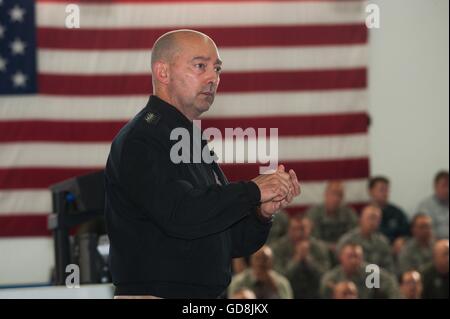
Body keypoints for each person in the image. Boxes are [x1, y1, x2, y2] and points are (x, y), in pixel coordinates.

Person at [104, 30, 301, 298]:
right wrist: (252, 190)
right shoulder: (142, 139)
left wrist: (260, 213)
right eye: (200, 66)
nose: (213, 78)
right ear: (163, 72)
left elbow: (229, 240)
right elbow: (181, 213)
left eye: (217, 68)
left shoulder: (189, 141)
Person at [271, 214, 330, 298]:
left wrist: (308, 260)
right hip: (287, 292)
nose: (298, 233)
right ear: (289, 230)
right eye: (295, 229)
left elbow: (325, 277)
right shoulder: (278, 248)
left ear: (309, 229)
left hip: (314, 293)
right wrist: (297, 259)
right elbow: (279, 277)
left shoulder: (319, 247)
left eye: (302, 229)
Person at [320, 243, 400, 299]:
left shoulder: (371, 273)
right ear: (341, 257)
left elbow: (391, 287)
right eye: (350, 257)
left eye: (357, 257)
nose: (354, 261)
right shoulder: (331, 279)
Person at [336, 205, 394, 272]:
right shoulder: (347, 240)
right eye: (370, 218)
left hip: (375, 279)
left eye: (376, 219)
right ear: (361, 219)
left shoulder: (383, 243)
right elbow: (339, 267)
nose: (372, 222)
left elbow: (389, 268)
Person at [306, 181, 358, 254]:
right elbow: (310, 237)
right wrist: (328, 247)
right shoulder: (314, 213)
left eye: (340, 195)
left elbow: (354, 235)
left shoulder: (349, 214)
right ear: (325, 194)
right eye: (333, 194)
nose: (336, 198)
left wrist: (340, 247)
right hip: (319, 251)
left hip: (344, 252)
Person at [227, 246, 293, 299]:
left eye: (265, 259)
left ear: (271, 263)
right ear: (251, 261)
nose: (261, 263)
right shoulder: (239, 282)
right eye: (257, 258)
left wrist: (273, 286)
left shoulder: (282, 283)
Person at [368, 176, 410, 243]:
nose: (385, 193)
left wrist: (402, 240)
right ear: (371, 191)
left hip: (395, 249)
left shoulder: (397, 213)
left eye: (387, 190)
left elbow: (408, 233)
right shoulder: (364, 214)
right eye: (381, 190)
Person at [416, 171, 449, 239]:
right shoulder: (426, 206)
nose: (447, 189)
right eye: (444, 186)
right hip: (435, 244)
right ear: (435, 186)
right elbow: (425, 230)